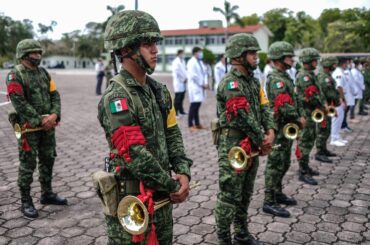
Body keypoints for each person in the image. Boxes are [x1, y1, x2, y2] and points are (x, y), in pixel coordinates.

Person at [98, 10, 192, 244]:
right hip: (132, 201)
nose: (155, 50)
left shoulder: (159, 90)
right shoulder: (116, 97)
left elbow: (172, 131)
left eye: (155, 43)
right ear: (125, 49)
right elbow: (135, 153)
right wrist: (171, 185)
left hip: (161, 196)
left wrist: (182, 170)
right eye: (147, 44)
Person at [215, 33, 276, 245]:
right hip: (233, 148)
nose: (255, 56)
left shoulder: (253, 81)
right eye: (251, 53)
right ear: (238, 55)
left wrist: (271, 129)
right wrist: (263, 139)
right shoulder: (230, 84)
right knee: (229, 195)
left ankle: (241, 233)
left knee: (246, 193)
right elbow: (242, 117)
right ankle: (224, 239)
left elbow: (264, 105)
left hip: (252, 145)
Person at [6, 39, 67, 218]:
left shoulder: (44, 73)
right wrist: (40, 121)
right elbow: (19, 102)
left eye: (39, 53)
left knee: (48, 159)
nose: (38, 56)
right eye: (34, 53)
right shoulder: (14, 75)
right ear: (24, 55)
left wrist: (54, 115)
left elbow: (55, 95)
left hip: (48, 126)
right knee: (28, 164)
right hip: (29, 129)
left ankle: (47, 194)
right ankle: (26, 200)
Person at [262, 41, 305, 218]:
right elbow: (284, 105)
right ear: (279, 59)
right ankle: (268, 201)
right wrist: (298, 117)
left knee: (285, 163)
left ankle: (277, 192)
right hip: (278, 128)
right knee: (275, 164)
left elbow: (296, 99)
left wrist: (301, 113)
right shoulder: (276, 80)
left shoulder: (286, 77)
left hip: (287, 127)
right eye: (288, 56)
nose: (292, 59)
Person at [295, 48, 326, 185]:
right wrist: (322, 106)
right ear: (308, 61)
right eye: (314, 60)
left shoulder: (310, 74)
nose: (316, 62)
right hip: (307, 113)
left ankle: (305, 166)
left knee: (310, 139)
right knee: (305, 143)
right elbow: (311, 95)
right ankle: (302, 171)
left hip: (311, 113)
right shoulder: (304, 76)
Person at [315, 57, 341, 162]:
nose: (335, 66)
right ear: (328, 65)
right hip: (323, 107)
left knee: (327, 129)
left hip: (329, 106)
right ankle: (319, 152)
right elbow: (325, 93)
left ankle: (324, 149)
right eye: (333, 64)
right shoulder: (323, 77)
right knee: (323, 130)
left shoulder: (327, 76)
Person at [187, 46, 208, 131]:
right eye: (200, 52)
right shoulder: (191, 62)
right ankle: (190, 125)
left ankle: (197, 123)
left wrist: (205, 83)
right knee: (193, 106)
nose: (201, 54)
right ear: (195, 53)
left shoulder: (199, 62)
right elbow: (193, 76)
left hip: (200, 87)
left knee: (197, 106)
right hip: (195, 86)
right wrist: (202, 84)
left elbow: (204, 72)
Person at [330, 57, 349, 146]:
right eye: (346, 63)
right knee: (336, 119)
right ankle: (334, 138)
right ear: (343, 64)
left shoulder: (339, 71)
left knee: (339, 119)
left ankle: (337, 136)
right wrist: (342, 100)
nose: (347, 65)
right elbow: (339, 87)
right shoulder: (338, 73)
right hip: (337, 99)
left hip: (339, 98)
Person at [171, 49, 187, 116]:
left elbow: (185, 71)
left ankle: (181, 111)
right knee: (177, 98)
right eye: (182, 53)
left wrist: (186, 78)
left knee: (182, 98)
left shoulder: (183, 61)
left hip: (183, 82)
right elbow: (176, 73)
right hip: (178, 82)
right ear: (179, 54)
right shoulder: (175, 62)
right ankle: (175, 113)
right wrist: (182, 79)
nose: (183, 55)